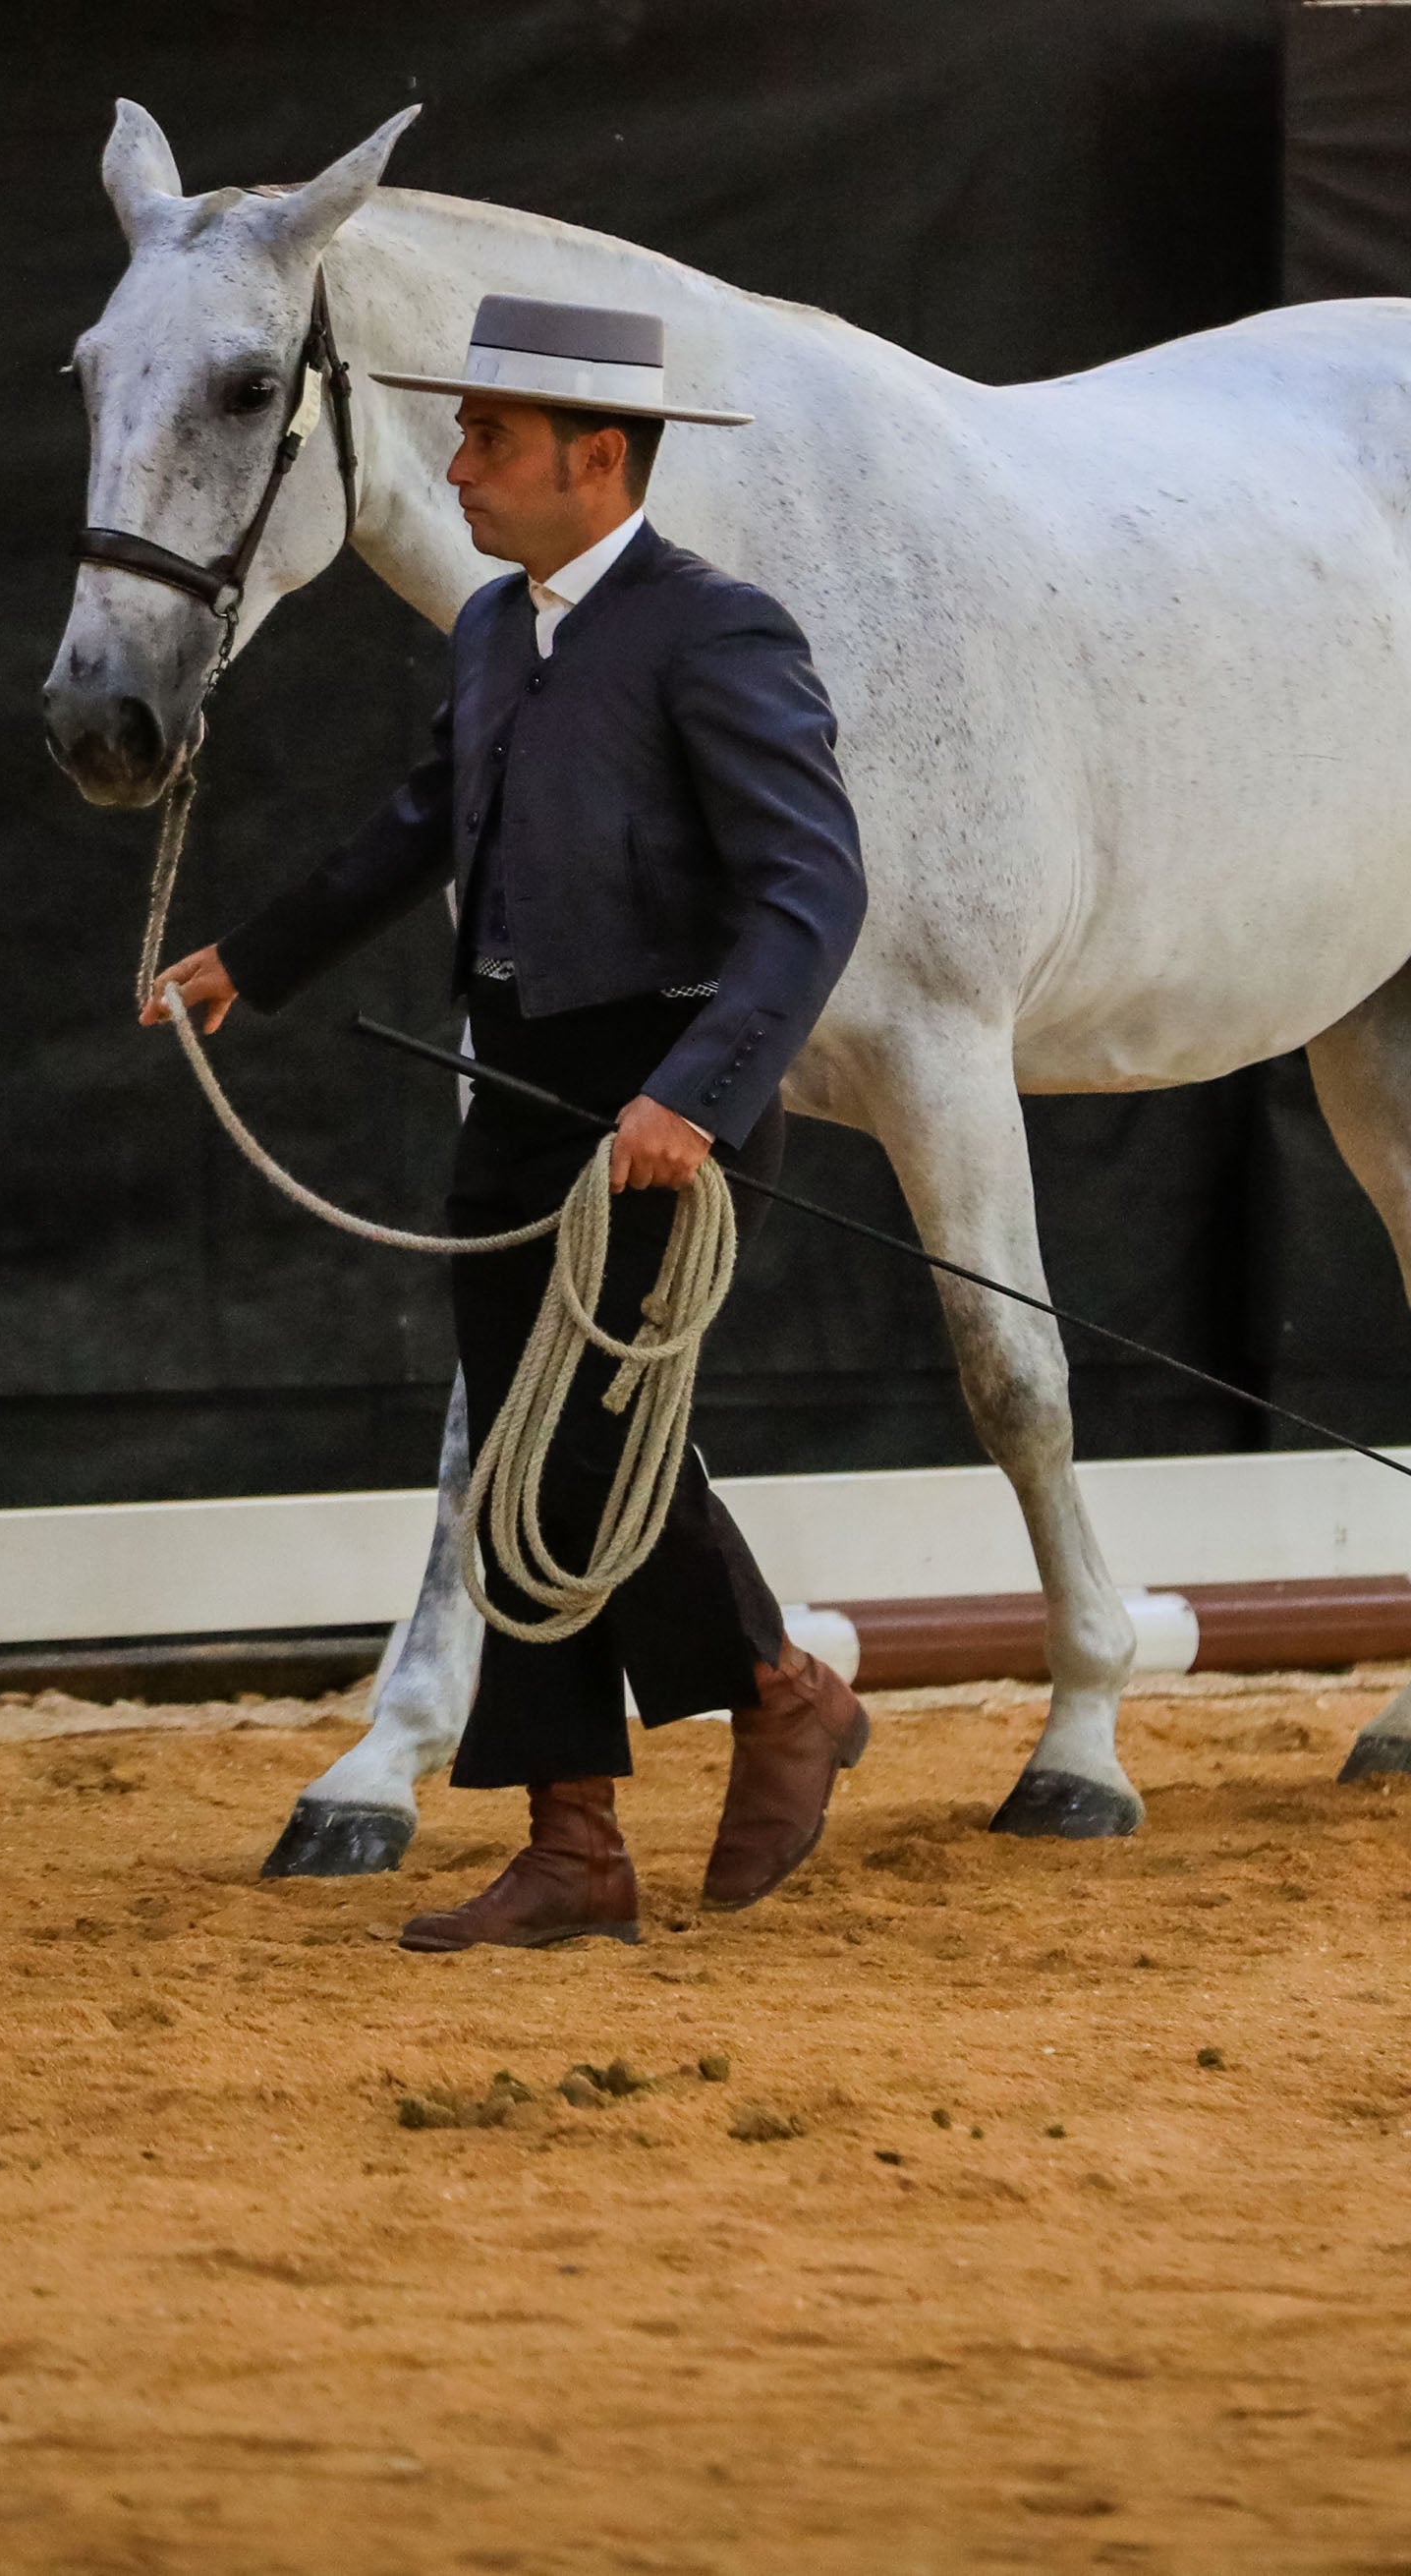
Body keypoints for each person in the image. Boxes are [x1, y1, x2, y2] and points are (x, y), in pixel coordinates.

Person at [144, 295, 871, 1954]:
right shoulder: (490, 627)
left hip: (662, 1094)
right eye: (462, 431)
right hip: (522, 1074)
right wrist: (257, 958)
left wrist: (696, 1095)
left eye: (491, 437)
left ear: (596, 459)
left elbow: (813, 893)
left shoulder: (721, 633)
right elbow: (425, 818)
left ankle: (773, 1693)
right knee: (519, 1463)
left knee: (590, 1446)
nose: (456, 464)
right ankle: (581, 1839)